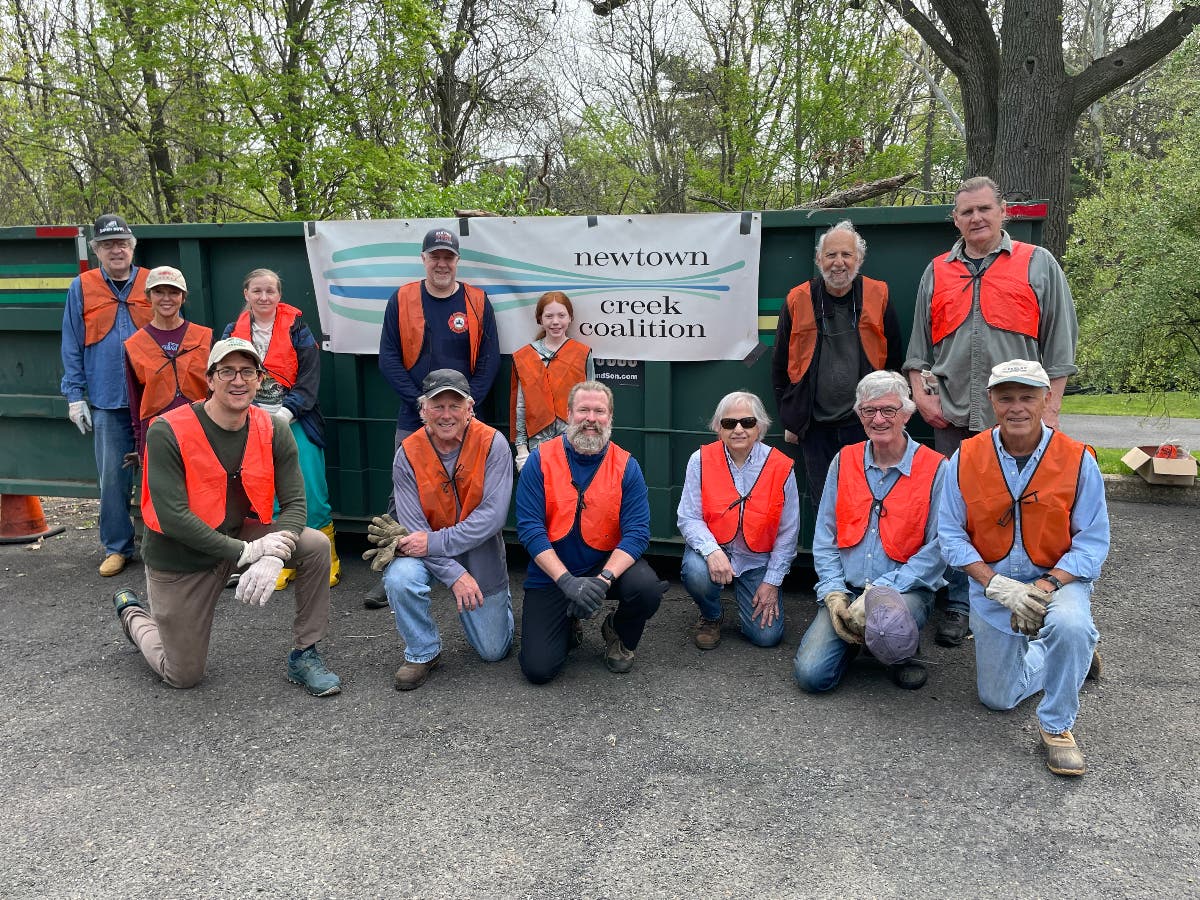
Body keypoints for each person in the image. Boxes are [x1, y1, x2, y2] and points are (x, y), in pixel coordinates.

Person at [903, 176, 1080, 648]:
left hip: (1022, 419)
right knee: (959, 516)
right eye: (966, 212)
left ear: (1004, 212)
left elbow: (1060, 346)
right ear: (956, 220)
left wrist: (1052, 409)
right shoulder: (937, 270)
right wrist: (921, 395)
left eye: (984, 209)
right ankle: (963, 607)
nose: (976, 218)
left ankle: (1043, 604)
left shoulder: (1038, 264)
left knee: (1031, 512)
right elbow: (918, 349)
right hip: (954, 418)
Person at [110, 338, 341, 697]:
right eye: (227, 371)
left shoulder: (272, 427)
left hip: (236, 537)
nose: (238, 380)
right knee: (182, 675)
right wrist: (248, 553)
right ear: (210, 379)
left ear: (259, 379)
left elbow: (296, 503)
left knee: (313, 544)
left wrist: (275, 553)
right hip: (181, 559)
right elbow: (172, 516)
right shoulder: (167, 430)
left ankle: (305, 655)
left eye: (248, 371)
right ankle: (133, 616)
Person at [939, 359, 1107, 776]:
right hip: (994, 585)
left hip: (1057, 580)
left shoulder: (1077, 459)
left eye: (1028, 397)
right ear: (992, 401)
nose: (1017, 407)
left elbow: (1092, 542)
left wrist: (1046, 586)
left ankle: (1056, 727)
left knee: (1070, 626)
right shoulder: (964, 458)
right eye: (1006, 397)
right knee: (997, 698)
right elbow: (950, 536)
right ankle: (1075, 660)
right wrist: (996, 585)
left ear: (1046, 399)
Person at [366, 227, 500, 609]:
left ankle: (466, 565)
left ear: (457, 261)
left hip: (467, 416)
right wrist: (420, 404)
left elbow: (490, 358)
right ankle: (397, 566)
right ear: (423, 259)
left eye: (448, 257)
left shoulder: (476, 301)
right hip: (415, 414)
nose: (442, 263)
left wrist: (466, 406)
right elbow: (388, 357)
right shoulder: (403, 297)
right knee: (402, 494)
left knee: (472, 490)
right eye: (435, 256)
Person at [793, 370, 946, 692]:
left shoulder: (936, 468)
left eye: (888, 410)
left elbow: (939, 548)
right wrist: (834, 594)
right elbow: (825, 535)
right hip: (847, 588)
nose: (878, 419)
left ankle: (901, 650)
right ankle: (859, 638)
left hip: (904, 591)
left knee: (888, 622)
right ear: (859, 415)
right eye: (868, 411)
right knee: (812, 677)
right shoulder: (844, 460)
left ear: (906, 413)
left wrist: (880, 592)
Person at [366, 369, 514, 691]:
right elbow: (412, 527)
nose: (446, 414)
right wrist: (454, 574)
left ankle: (500, 604)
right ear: (423, 410)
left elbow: (493, 517)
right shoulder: (407, 452)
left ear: (470, 408)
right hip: (425, 549)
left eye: (455, 405)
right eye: (437, 406)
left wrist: (437, 543)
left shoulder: (493, 443)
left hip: (477, 548)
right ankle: (423, 651)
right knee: (400, 577)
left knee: (493, 651)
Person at [516, 381, 664, 683]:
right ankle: (569, 624)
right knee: (538, 670)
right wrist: (567, 582)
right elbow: (530, 529)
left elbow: (637, 533)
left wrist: (603, 580)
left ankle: (617, 632)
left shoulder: (626, 465)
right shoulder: (540, 459)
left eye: (600, 411)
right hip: (553, 572)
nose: (591, 419)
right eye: (583, 410)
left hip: (602, 565)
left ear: (610, 418)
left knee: (646, 588)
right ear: (569, 414)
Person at [222, 269, 339, 588]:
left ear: (279, 295)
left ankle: (326, 558)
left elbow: (310, 379)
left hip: (297, 420)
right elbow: (223, 377)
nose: (263, 297)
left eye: (270, 291)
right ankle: (279, 559)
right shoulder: (232, 332)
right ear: (246, 294)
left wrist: (285, 415)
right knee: (266, 496)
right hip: (252, 423)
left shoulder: (298, 330)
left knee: (311, 492)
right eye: (256, 291)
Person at [772, 220, 902, 506]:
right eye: (831, 255)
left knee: (867, 500)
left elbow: (895, 360)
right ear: (819, 260)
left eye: (846, 255)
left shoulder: (878, 294)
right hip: (815, 426)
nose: (839, 263)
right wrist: (791, 417)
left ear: (859, 259)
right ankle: (829, 553)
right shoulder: (798, 298)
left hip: (867, 422)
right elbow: (780, 364)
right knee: (825, 505)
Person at [60, 214, 152, 576]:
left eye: (122, 243)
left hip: (152, 401)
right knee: (113, 479)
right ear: (97, 250)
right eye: (108, 245)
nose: (117, 250)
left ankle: (164, 544)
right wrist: (74, 395)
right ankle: (119, 547)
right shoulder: (81, 287)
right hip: (106, 400)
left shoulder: (152, 283)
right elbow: (71, 343)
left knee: (162, 475)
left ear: (132, 247)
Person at [676, 391, 799, 650]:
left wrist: (772, 582)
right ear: (718, 428)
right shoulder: (700, 460)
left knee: (767, 637)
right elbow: (689, 517)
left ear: (761, 427)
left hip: (757, 559)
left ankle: (747, 604)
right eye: (729, 423)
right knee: (696, 572)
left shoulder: (781, 466)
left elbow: (788, 532)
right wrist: (711, 552)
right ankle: (712, 616)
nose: (739, 429)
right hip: (716, 550)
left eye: (748, 422)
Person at [123, 266, 212, 461]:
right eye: (158, 292)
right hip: (158, 433)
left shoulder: (204, 337)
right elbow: (135, 399)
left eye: (174, 292)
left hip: (201, 429)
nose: (166, 298)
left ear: (183, 297)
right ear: (148, 297)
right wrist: (141, 446)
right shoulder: (135, 344)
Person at [509, 291, 595, 471]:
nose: (555, 321)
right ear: (540, 319)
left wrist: (590, 441)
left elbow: (591, 401)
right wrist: (521, 448)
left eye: (561, 315)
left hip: (574, 442)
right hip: (537, 445)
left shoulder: (582, 353)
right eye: (549, 316)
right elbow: (520, 406)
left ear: (570, 317)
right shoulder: (523, 357)